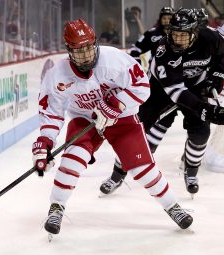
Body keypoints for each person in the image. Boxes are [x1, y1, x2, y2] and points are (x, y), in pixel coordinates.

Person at [32, 18, 194, 238]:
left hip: (122, 119)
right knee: (73, 159)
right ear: (69, 51)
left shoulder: (115, 60)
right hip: (85, 120)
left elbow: (142, 88)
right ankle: (57, 207)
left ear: (95, 43)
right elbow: (52, 111)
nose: (86, 56)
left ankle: (172, 206)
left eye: (89, 48)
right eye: (79, 52)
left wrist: (114, 106)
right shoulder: (57, 75)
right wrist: (45, 142)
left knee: (143, 168)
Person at [99, 9, 224, 198]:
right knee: (138, 132)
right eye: (175, 33)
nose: (177, 39)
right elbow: (177, 92)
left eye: (183, 35)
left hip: (196, 87)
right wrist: (207, 110)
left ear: (195, 32)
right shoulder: (164, 52)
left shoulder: (211, 37)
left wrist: (218, 75)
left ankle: (191, 171)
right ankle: (117, 174)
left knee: (201, 132)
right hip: (161, 91)